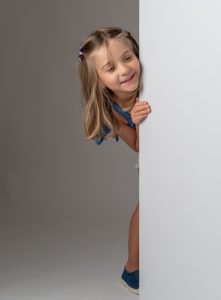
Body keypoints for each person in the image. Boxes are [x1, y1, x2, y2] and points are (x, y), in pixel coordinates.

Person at [77, 26, 152, 295]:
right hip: (153, 158)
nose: (124, 70)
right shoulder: (113, 108)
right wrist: (138, 122)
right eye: (110, 68)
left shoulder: (153, 80)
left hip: (179, 152)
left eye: (128, 58)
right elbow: (138, 146)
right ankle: (132, 269)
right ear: (97, 79)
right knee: (149, 207)